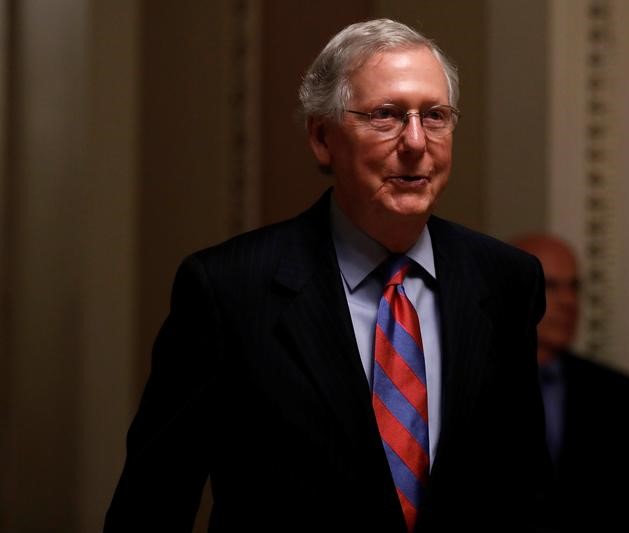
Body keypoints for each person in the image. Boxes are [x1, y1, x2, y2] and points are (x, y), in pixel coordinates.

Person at [105, 19, 554, 532]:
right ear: (322, 138)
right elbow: (152, 502)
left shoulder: (505, 281)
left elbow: (526, 496)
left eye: (434, 116)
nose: (415, 142)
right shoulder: (228, 290)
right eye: (386, 116)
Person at [511, 233, 629, 533]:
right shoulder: (464, 383)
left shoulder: (620, 396)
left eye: (574, 287)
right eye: (550, 286)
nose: (569, 301)